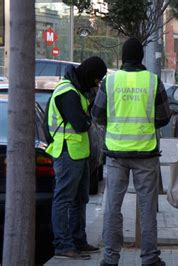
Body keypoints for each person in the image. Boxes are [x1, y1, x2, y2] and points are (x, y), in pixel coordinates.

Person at [91, 38, 171, 266]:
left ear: (123, 58)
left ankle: (110, 258)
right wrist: (146, 124)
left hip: (116, 155)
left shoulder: (110, 81)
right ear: (142, 57)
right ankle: (149, 258)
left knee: (112, 208)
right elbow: (164, 117)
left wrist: (116, 124)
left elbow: (97, 115)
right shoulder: (153, 81)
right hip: (146, 154)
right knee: (147, 209)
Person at [47, 56, 107, 259]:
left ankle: (78, 240)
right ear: (89, 75)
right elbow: (81, 124)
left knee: (80, 199)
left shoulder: (78, 91)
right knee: (64, 199)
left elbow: (84, 119)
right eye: (97, 80)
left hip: (78, 153)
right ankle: (63, 245)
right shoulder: (67, 92)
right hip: (67, 153)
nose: (96, 84)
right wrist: (89, 119)